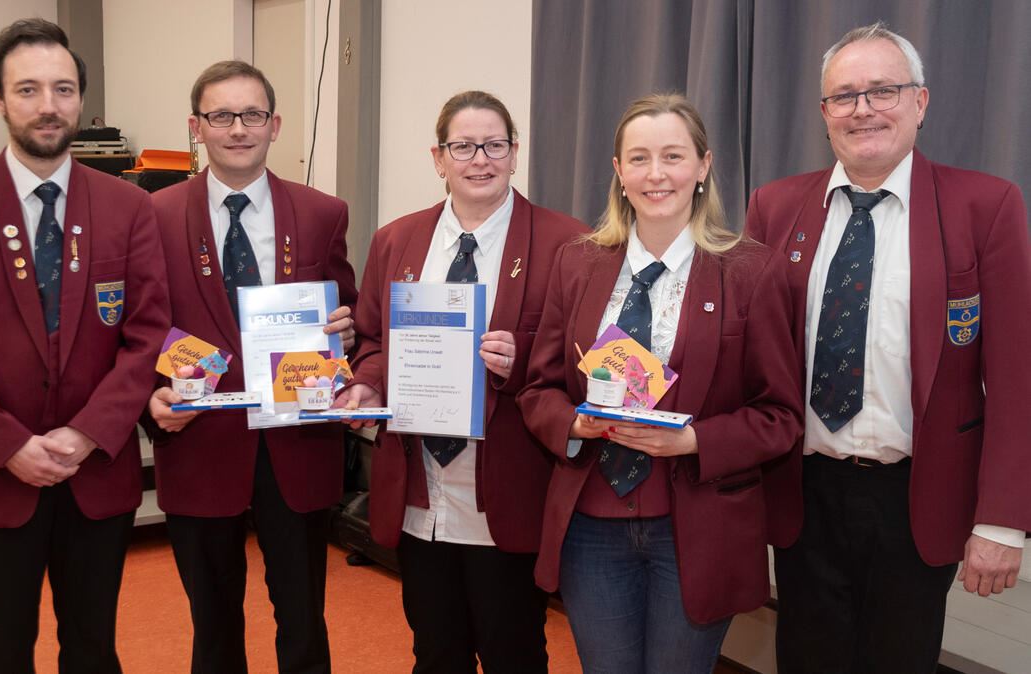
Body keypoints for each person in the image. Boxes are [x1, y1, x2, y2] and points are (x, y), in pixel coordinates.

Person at [746, 22, 1031, 674]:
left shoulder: (984, 206)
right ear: (823, 114)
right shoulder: (775, 207)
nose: (863, 109)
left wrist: (1002, 521)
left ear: (920, 102)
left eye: (883, 90)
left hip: (917, 501)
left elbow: (1018, 377)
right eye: (844, 96)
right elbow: (749, 356)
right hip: (803, 497)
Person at [0, 18, 170, 673]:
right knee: (0, 653)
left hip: (96, 475)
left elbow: (144, 336)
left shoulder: (128, 207)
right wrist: (9, 445)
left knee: (92, 649)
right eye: (28, 89)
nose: (48, 106)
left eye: (63, 89)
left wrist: (85, 434)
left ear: (80, 97)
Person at [517, 93, 803, 674]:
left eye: (672, 156)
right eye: (639, 158)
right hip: (593, 523)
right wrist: (573, 421)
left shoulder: (752, 270)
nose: (656, 174)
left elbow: (780, 416)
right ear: (619, 172)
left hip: (695, 526)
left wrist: (694, 441)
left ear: (703, 166)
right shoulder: (578, 263)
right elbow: (538, 389)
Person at [333, 90, 587, 673]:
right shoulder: (396, 240)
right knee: (435, 650)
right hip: (422, 492)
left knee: (514, 651)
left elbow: (584, 360)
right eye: (464, 146)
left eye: (494, 145)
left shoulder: (564, 242)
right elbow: (372, 341)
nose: (480, 159)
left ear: (515, 152)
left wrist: (520, 360)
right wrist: (369, 385)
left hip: (507, 486)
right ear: (438, 157)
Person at [146, 60, 357, 674]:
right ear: (196, 127)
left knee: (302, 616)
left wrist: (345, 332)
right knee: (211, 621)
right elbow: (137, 327)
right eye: (221, 115)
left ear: (275, 125)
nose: (238, 128)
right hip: (200, 440)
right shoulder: (154, 215)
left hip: (296, 441)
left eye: (253, 115)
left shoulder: (323, 213)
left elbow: (349, 311)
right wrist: (151, 402)